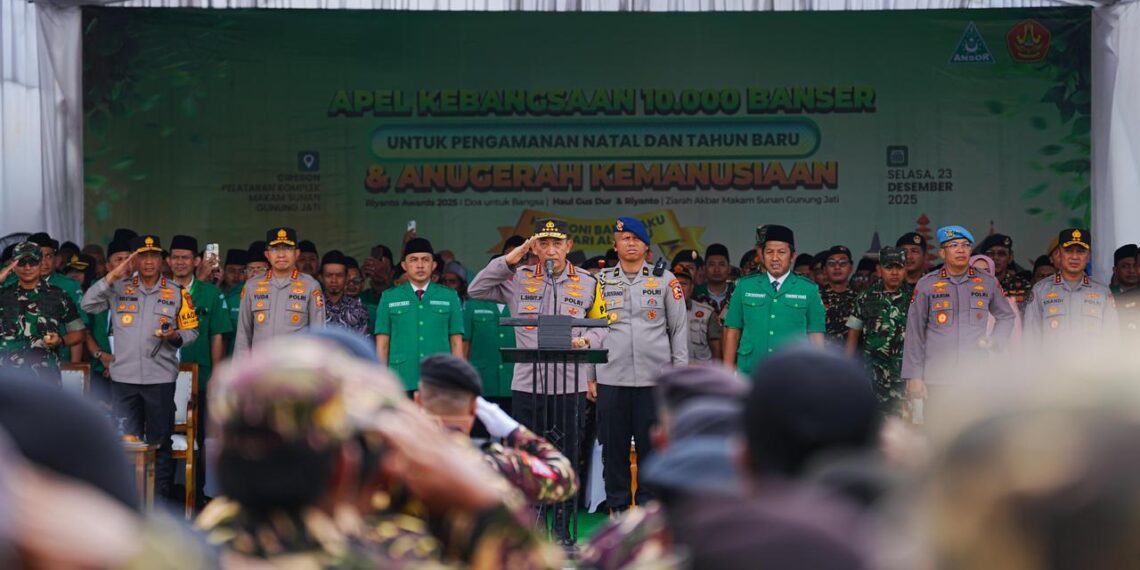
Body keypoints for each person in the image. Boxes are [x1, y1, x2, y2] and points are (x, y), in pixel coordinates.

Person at [467, 217, 607, 547]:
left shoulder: (588, 282)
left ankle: (561, 527)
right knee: (526, 457)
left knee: (568, 455)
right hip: (528, 383)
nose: (550, 249)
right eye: (543, 243)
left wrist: (585, 340)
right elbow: (476, 289)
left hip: (569, 384)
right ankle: (531, 525)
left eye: (557, 243)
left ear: (569, 246)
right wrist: (511, 258)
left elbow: (603, 324)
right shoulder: (518, 277)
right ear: (535, 247)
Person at [81, 234, 199, 501]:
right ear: (135, 259)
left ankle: (159, 506)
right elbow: (87, 303)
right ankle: (129, 504)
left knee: (161, 447)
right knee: (125, 445)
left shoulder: (177, 292)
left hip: (160, 378)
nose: (148, 261)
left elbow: (192, 330)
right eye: (142, 256)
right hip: (124, 379)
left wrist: (174, 337)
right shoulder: (118, 288)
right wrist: (112, 276)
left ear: (163, 260)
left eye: (153, 256)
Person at [596, 217, 688, 515]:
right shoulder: (600, 281)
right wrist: (588, 376)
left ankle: (650, 510)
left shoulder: (666, 280)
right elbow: (588, 331)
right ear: (615, 245)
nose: (630, 244)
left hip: (655, 379)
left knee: (652, 448)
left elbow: (679, 330)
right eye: (625, 239)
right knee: (613, 448)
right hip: (610, 376)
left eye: (636, 239)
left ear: (647, 247)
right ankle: (618, 508)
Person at [416, 354, 578, 505]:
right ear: (474, 407)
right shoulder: (499, 465)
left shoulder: (398, 461)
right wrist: (514, 431)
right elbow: (565, 478)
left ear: (418, 401)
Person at [901, 225, 1015, 409]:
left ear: (971, 250)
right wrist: (914, 375)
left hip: (975, 377)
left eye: (965, 245)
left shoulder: (987, 281)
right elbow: (915, 331)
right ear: (942, 253)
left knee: (975, 434)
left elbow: (1006, 316)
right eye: (953, 245)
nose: (961, 249)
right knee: (938, 434)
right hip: (937, 377)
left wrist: (995, 340)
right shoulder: (927, 284)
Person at [168, 234, 233, 504]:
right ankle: (167, 491)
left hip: (202, 374)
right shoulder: (158, 290)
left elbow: (218, 335)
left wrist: (218, 376)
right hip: (162, 374)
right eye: (175, 257)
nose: (180, 262)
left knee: (205, 437)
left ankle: (203, 494)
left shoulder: (211, 294)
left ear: (196, 261)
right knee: (164, 432)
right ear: (168, 261)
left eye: (186, 257)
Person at [723, 225, 825, 375]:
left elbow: (816, 336)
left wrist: (819, 376)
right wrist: (727, 374)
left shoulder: (809, 289)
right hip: (750, 371)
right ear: (762, 255)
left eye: (781, 252)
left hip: (794, 374)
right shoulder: (745, 286)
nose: (775, 258)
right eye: (769, 252)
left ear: (792, 256)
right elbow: (732, 332)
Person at [374, 237, 463, 392]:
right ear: (404, 265)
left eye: (425, 260)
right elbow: (382, 344)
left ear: (433, 265)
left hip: (440, 380)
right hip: (401, 379)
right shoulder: (389, 297)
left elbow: (456, 342)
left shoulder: (449, 296)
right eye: (414, 260)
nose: (420, 265)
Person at [0, 242, 85, 384]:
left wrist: (60, 340)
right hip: (7, 380)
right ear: (13, 267)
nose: (27, 267)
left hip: (46, 380)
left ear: (40, 263)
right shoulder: (3, 295)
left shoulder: (59, 295)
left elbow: (79, 334)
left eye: (33, 262)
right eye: (21, 262)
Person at [233, 228, 325, 358]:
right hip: (260, 371)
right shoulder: (252, 286)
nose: (281, 254)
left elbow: (319, 335)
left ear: (297, 253)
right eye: (275, 249)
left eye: (287, 248)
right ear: (267, 254)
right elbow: (243, 335)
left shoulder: (311, 286)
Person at [1022, 229, 1118, 348]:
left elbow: (1112, 337)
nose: (1074, 257)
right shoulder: (1040, 290)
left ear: (1088, 256)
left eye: (1081, 251)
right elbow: (1030, 338)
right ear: (1059, 254)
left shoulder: (1102, 291)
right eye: (1068, 251)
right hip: (1051, 365)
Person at [846, 246, 913, 415]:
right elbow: (853, 335)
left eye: (899, 267)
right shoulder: (865, 297)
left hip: (905, 377)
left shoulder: (916, 297)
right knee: (873, 427)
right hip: (873, 378)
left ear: (905, 269)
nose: (894, 272)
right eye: (889, 267)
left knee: (905, 427)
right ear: (879, 269)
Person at [83, 238, 132, 403]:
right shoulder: (95, 289)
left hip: (134, 371)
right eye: (119, 259)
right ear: (108, 266)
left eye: (129, 259)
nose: (125, 264)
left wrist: (119, 365)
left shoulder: (144, 289)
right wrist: (102, 356)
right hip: (100, 367)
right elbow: (84, 329)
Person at [463, 261, 516, 414]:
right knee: (480, 434)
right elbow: (465, 343)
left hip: (513, 382)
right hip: (483, 380)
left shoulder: (524, 305)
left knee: (514, 433)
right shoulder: (473, 304)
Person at [969, 254, 1023, 347]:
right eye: (975, 271)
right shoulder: (959, 301)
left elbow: (1016, 340)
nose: (981, 276)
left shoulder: (1008, 302)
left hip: (998, 359)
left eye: (986, 271)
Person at [319, 250, 369, 337]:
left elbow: (364, 342)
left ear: (346, 277)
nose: (334, 280)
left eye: (339, 275)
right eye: (329, 275)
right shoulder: (312, 306)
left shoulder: (358, 308)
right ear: (321, 277)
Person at [677, 268, 721, 364]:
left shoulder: (707, 313)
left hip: (701, 374)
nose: (678, 288)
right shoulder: (658, 313)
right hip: (669, 374)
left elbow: (716, 349)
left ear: (692, 287)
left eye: (684, 284)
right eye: (674, 284)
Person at [819, 245, 857, 344]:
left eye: (843, 263)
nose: (837, 267)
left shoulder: (860, 298)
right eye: (831, 263)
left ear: (851, 268)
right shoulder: (815, 296)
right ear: (824, 269)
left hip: (852, 358)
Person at [693, 243, 734, 314]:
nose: (717, 269)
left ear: (729, 268)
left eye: (721, 264)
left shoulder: (737, 293)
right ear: (704, 268)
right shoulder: (694, 294)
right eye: (712, 265)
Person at [1112, 244, 1140, 334]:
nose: (1131, 270)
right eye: (1125, 266)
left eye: (1135, 265)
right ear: (1115, 270)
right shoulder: (1105, 294)